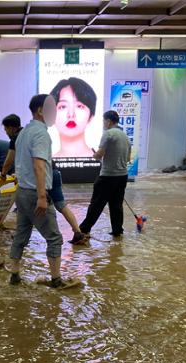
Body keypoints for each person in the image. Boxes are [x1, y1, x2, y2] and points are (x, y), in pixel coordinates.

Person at [8, 94, 75, 289]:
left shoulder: (24, 132)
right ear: (40, 110)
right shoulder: (41, 134)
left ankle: (14, 275)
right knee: (55, 238)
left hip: (21, 192)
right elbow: (39, 166)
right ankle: (56, 280)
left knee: (21, 234)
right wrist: (42, 197)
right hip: (34, 194)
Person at [79, 110, 131, 239]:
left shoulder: (108, 134)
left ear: (108, 121)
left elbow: (99, 154)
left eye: (103, 121)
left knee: (96, 204)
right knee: (116, 205)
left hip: (108, 176)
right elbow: (128, 158)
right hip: (122, 176)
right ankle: (117, 231)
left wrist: (95, 155)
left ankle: (83, 230)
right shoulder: (125, 136)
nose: (103, 124)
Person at [50, 77, 97, 158]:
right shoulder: (48, 164)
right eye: (63, 107)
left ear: (91, 116)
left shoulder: (100, 161)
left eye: (79, 106)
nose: (71, 114)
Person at [50, 164, 86, 245]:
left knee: (31, 205)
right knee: (61, 205)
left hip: (45, 174)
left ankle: (22, 234)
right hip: (55, 172)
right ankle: (78, 233)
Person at [0, 113, 22, 179]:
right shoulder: (27, 132)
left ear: (11, 128)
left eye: (6, 129)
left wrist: (3, 174)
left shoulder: (15, 138)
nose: (6, 133)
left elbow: (9, 161)